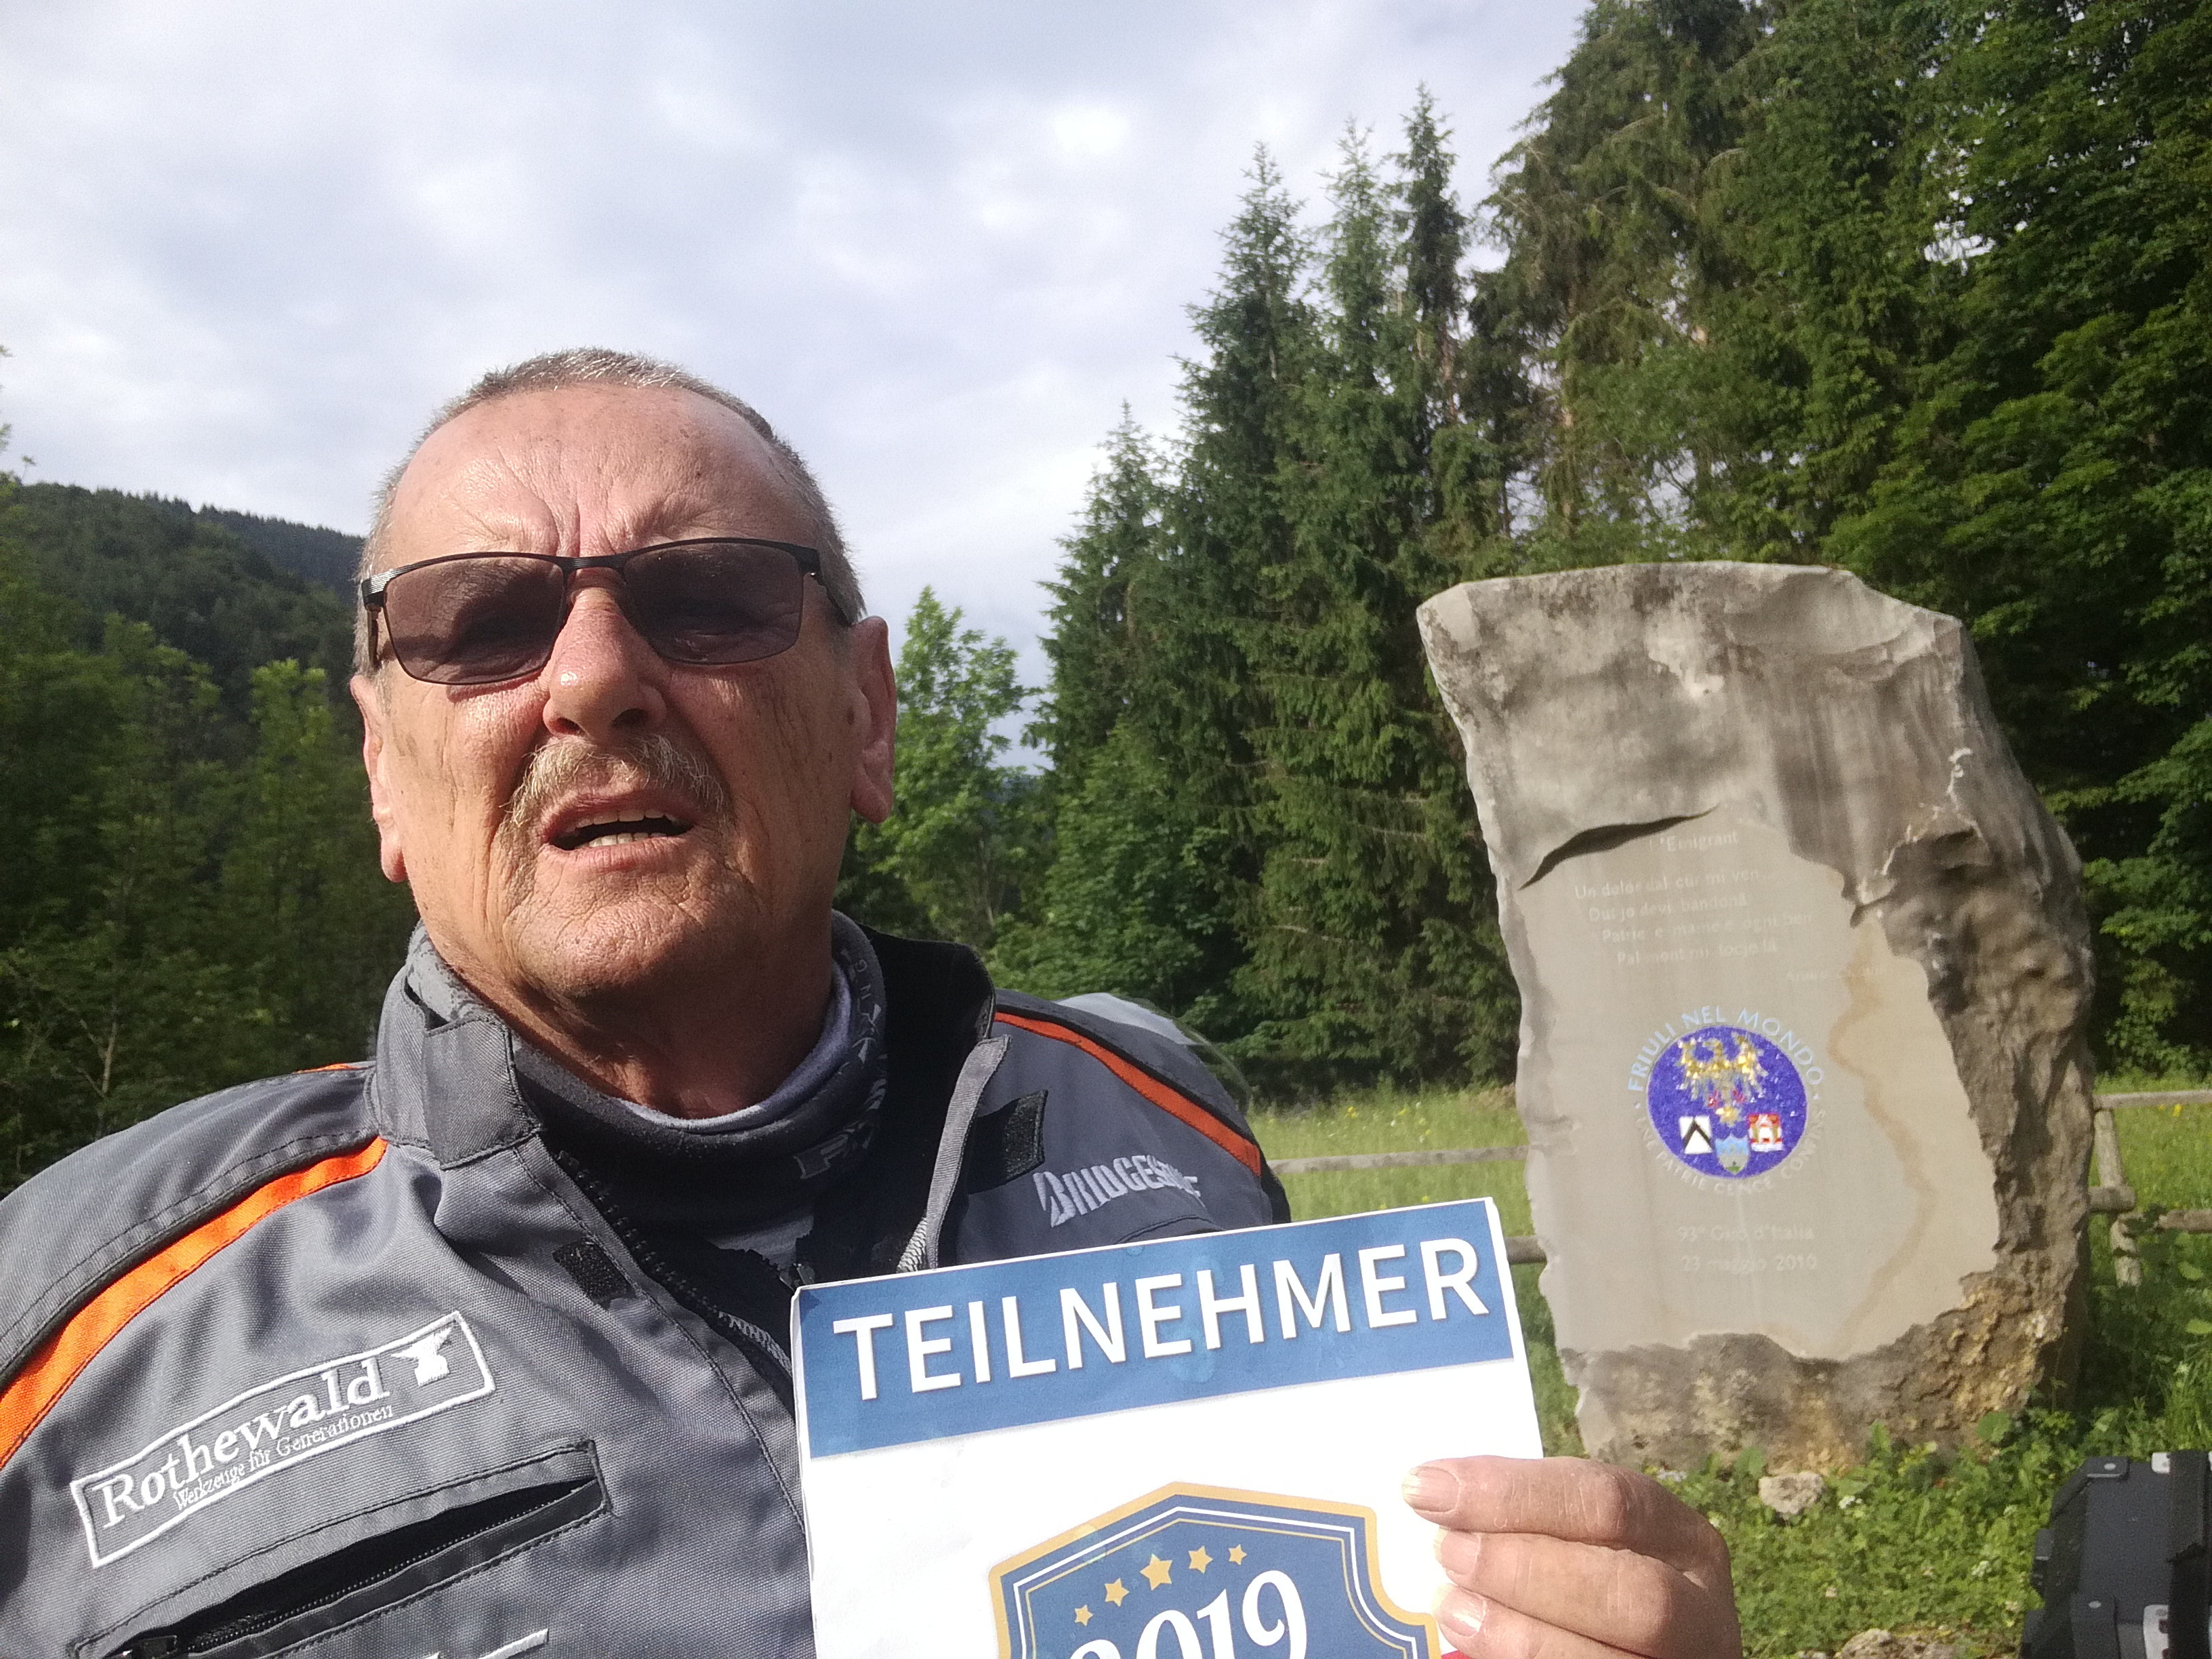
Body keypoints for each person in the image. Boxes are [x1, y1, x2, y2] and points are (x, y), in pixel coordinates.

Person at [0, 350, 1741, 1658]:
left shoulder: (1161, 1117)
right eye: (480, 624)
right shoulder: (65, 1346)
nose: (595, 678)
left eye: (708, 598)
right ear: (385, 770)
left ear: (868, 718)